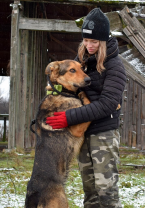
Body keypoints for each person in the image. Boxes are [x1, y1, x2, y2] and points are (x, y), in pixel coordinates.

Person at [46, 8, 126, 208]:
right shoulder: (82, 61)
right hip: (83, 131)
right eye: (86, 40)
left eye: (94, 41)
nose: (89, 45)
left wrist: (69, 117)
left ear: (104, 40)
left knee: (106, 193)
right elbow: (69, 87)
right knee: (90, 193)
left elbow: (108, 104)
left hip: (104, 134)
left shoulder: (115, 66)